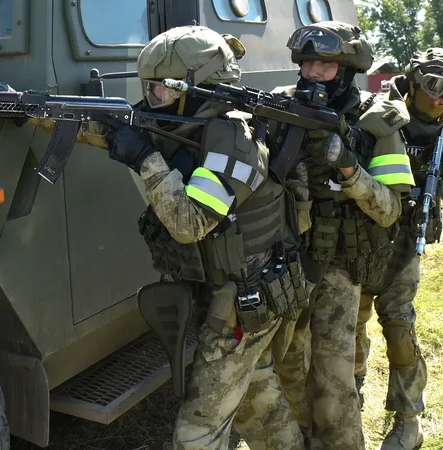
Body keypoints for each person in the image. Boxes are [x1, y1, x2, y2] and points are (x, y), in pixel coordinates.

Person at [97, 25, 314, 450]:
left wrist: (143, 157)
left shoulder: (235, 138)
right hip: (227, 291)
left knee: (196, 433)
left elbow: (190, 223)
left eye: (161, 88)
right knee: (258, 402)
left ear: (197, 88)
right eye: (149, 87)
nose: (153, 96)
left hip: (247, 300)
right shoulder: (190, 121)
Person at [258, 21, 416, 450]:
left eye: (325, 65)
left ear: (346, 70)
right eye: (308, 62)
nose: (313, 72)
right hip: (286, 260)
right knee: (288, 366)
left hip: (339, 266)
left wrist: (349, 169)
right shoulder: (278, 107)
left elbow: (389, 210)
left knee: (333, 380)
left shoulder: (375, 122)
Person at [354, 47, 443, 450]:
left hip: (408, 240)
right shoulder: (379, 114)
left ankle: (408, 420)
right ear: (416, 80)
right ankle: (349, 397)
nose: (442, 100)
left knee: (400, 327)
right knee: (352, 322)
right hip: (362, 236)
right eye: (437, 87)